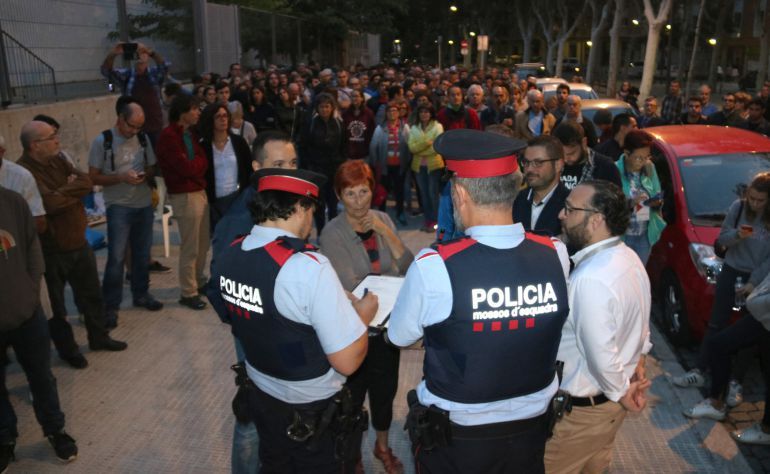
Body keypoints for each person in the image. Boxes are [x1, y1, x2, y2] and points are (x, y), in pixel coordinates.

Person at [389, 129, 570, 474]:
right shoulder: (555, 253)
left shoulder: (436, 265)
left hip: (458, 442)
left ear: (459, 193)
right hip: (530, 435)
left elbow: (399, 336)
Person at [208, 167, 378, 473]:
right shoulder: (308, 266)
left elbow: (235, 313)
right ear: (301, 208)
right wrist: (362, 316)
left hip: (261, 392)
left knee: (274, 463)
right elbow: (348, 362)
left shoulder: (229, 254)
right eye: (311, 210)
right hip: (312, 409)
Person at [207, 131, 298, 474]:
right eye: (279, 164)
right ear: (258, 168)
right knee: (252, 415)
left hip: (288, 328)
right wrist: (247, 319)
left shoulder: (291, 203)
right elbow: (218, 286)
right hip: (256, 332)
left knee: (284, 406)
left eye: (293, 164)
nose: (289, 172)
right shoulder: (238, 218)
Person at [545, 179, 652, 473]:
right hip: (606, 409)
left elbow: (600, 354)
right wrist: (638, 364)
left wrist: (622, 394)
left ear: (596, 220)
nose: (561, 215)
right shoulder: (629, 257)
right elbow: (641, 324)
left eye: (570, 209)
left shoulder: (590, 278)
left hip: (582, 416)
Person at [319, 160, 412, 473]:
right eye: (350, 194)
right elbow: (351, 285)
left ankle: (382, 445)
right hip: (353, 330)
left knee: (385, 393)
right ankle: (353, 454)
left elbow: (409, 267)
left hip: (385, 330)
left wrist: (386, 232)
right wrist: (389, 284)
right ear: (339, 196)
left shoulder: (383, 219)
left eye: (363, 191)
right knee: (353, 398)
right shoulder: (332, 233)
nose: (359, 201)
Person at [18, 121, 127, 369]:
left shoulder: (59, 160)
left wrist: (61, 192)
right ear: (35, 145)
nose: (57, 141)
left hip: (79, 241)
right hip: (51, 250)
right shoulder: (25, 172)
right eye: (51, 137)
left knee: (91, 295)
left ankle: (98, 337)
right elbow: (49, 204)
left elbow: (86, 182)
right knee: (57, 307)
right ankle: (68, 350)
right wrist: (69, 192)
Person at [675, 172, 770, 405]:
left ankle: (736, 381)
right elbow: (722, 240)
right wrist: (737, 235)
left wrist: (754, 281)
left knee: (748, 329)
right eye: (752, 198)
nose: (755, 204)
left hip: (756, 278)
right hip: (731, 270)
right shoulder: (739, 208)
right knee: (717, 321)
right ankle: (700, 369)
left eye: (760, 200)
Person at [0, 186, 78, 469]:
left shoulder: (13, 202)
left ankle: (55, 429)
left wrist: (31, 293)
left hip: (27, 314)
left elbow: (33, 248)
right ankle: (5, 438)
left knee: (42, 377)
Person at [88, 97, 163, 329]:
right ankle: (111, 306)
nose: (134, 131)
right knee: (116, 258)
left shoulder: (142, 138)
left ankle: (141, 294)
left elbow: (152, 167)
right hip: (118, 206)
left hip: (143, 204)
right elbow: (93, 177)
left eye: (139, 127)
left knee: (142, 254)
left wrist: (145, 175)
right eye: (132, 126)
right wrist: (121, 177)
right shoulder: (103, 141)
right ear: (120, 118)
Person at [156, 94, 210, 310]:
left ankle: (199, 280)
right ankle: (188, 292)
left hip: (199, 191)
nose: (198, 113)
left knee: (203, 243)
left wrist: (197, 165)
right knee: (190, 246)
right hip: (185, 195)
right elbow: (185, 168)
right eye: (194, 109)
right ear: (182, 112)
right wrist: (198, 165)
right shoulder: (169, 136)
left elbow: (202, 161)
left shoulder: (190, 134)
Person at [298, 93, 347, 233]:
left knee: (333, 204)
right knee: (319, 204)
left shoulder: (339, 124)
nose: (324, 109)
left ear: (332, 108)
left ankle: (332, 232)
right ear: (317, 108)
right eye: (321, 107)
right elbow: (303, 146)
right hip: (316, 169)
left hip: (334, 169)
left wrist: (341, 164)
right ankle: (321, 231)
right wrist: (307, 167)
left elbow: (344, 146)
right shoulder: (310, 124)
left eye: (327, 106)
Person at [101, 42, 167, 145]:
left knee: (157, 152)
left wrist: (152, 53)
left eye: (142, 52)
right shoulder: (127, 75)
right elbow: (106, 72)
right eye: (137, 53)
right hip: (134, 130)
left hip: (155, 127)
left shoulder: (154, 74)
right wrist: (114, 53)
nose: (140, 55)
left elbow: (164, 67)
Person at [199, 102, 252, 230]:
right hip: (214, 201)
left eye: (225, 116)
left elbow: (248, 169)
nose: (223, 119)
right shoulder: (204, 146)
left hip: (237, 198)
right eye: (218, 116)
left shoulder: (239, 142)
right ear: (210, 120)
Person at [616, 130, 664, 264]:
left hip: (644, 233)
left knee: (639, 271)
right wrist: (631, 203)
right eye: (638, 158)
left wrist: (656, 202)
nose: (643, 161)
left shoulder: (649, 167)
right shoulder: (615, 170)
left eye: (646, 157)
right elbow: (609, 205)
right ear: (626, 153)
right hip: (622, 236)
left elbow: (657, 192)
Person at [513, 135, 569, 237]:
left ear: (558, 165)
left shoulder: (570, 206)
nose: (529, 169)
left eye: (538, 163)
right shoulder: (514, 201)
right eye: (526, 162)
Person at [369, 101, 412, 226]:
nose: (392, 113)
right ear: (386, 113)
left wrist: (408, 162)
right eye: (389, 111)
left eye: (395, 110)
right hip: (385, 166)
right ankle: (382, 215)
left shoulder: (405, 127)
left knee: (399, 191)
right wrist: (374, 163)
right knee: (383, 191)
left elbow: (410, 145)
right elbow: (373, 146)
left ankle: (400, 213)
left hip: (400, 166)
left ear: (399, 113)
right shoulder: (380, 128)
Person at [552, 121, 622, 191]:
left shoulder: (605, 166)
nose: (565, 159)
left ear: (584, 143)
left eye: (571, 153)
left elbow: (616, 196)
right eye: (561, 154)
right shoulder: (552, 164)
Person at [408, 104, 444, 233]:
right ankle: (428, 220)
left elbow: (437, 147)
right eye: (422, 112)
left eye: (427, 112)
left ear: (431, 114)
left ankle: (437, 221)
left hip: (434, 166)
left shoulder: (437, 127)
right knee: (424, 194)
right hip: (419, 167)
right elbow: (411, 148)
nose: (424, 114)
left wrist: (420, 148)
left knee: (433, 194)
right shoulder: (414, 128)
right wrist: (427, 143)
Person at [342, 89, 376, 161]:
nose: (354, 98)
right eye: (352, 96)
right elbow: (343, 132)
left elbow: (372, 132)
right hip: (349, 153)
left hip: (364, 153)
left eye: (357, 96)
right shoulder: (345, 113)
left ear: (362, 98)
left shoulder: (369, 113)